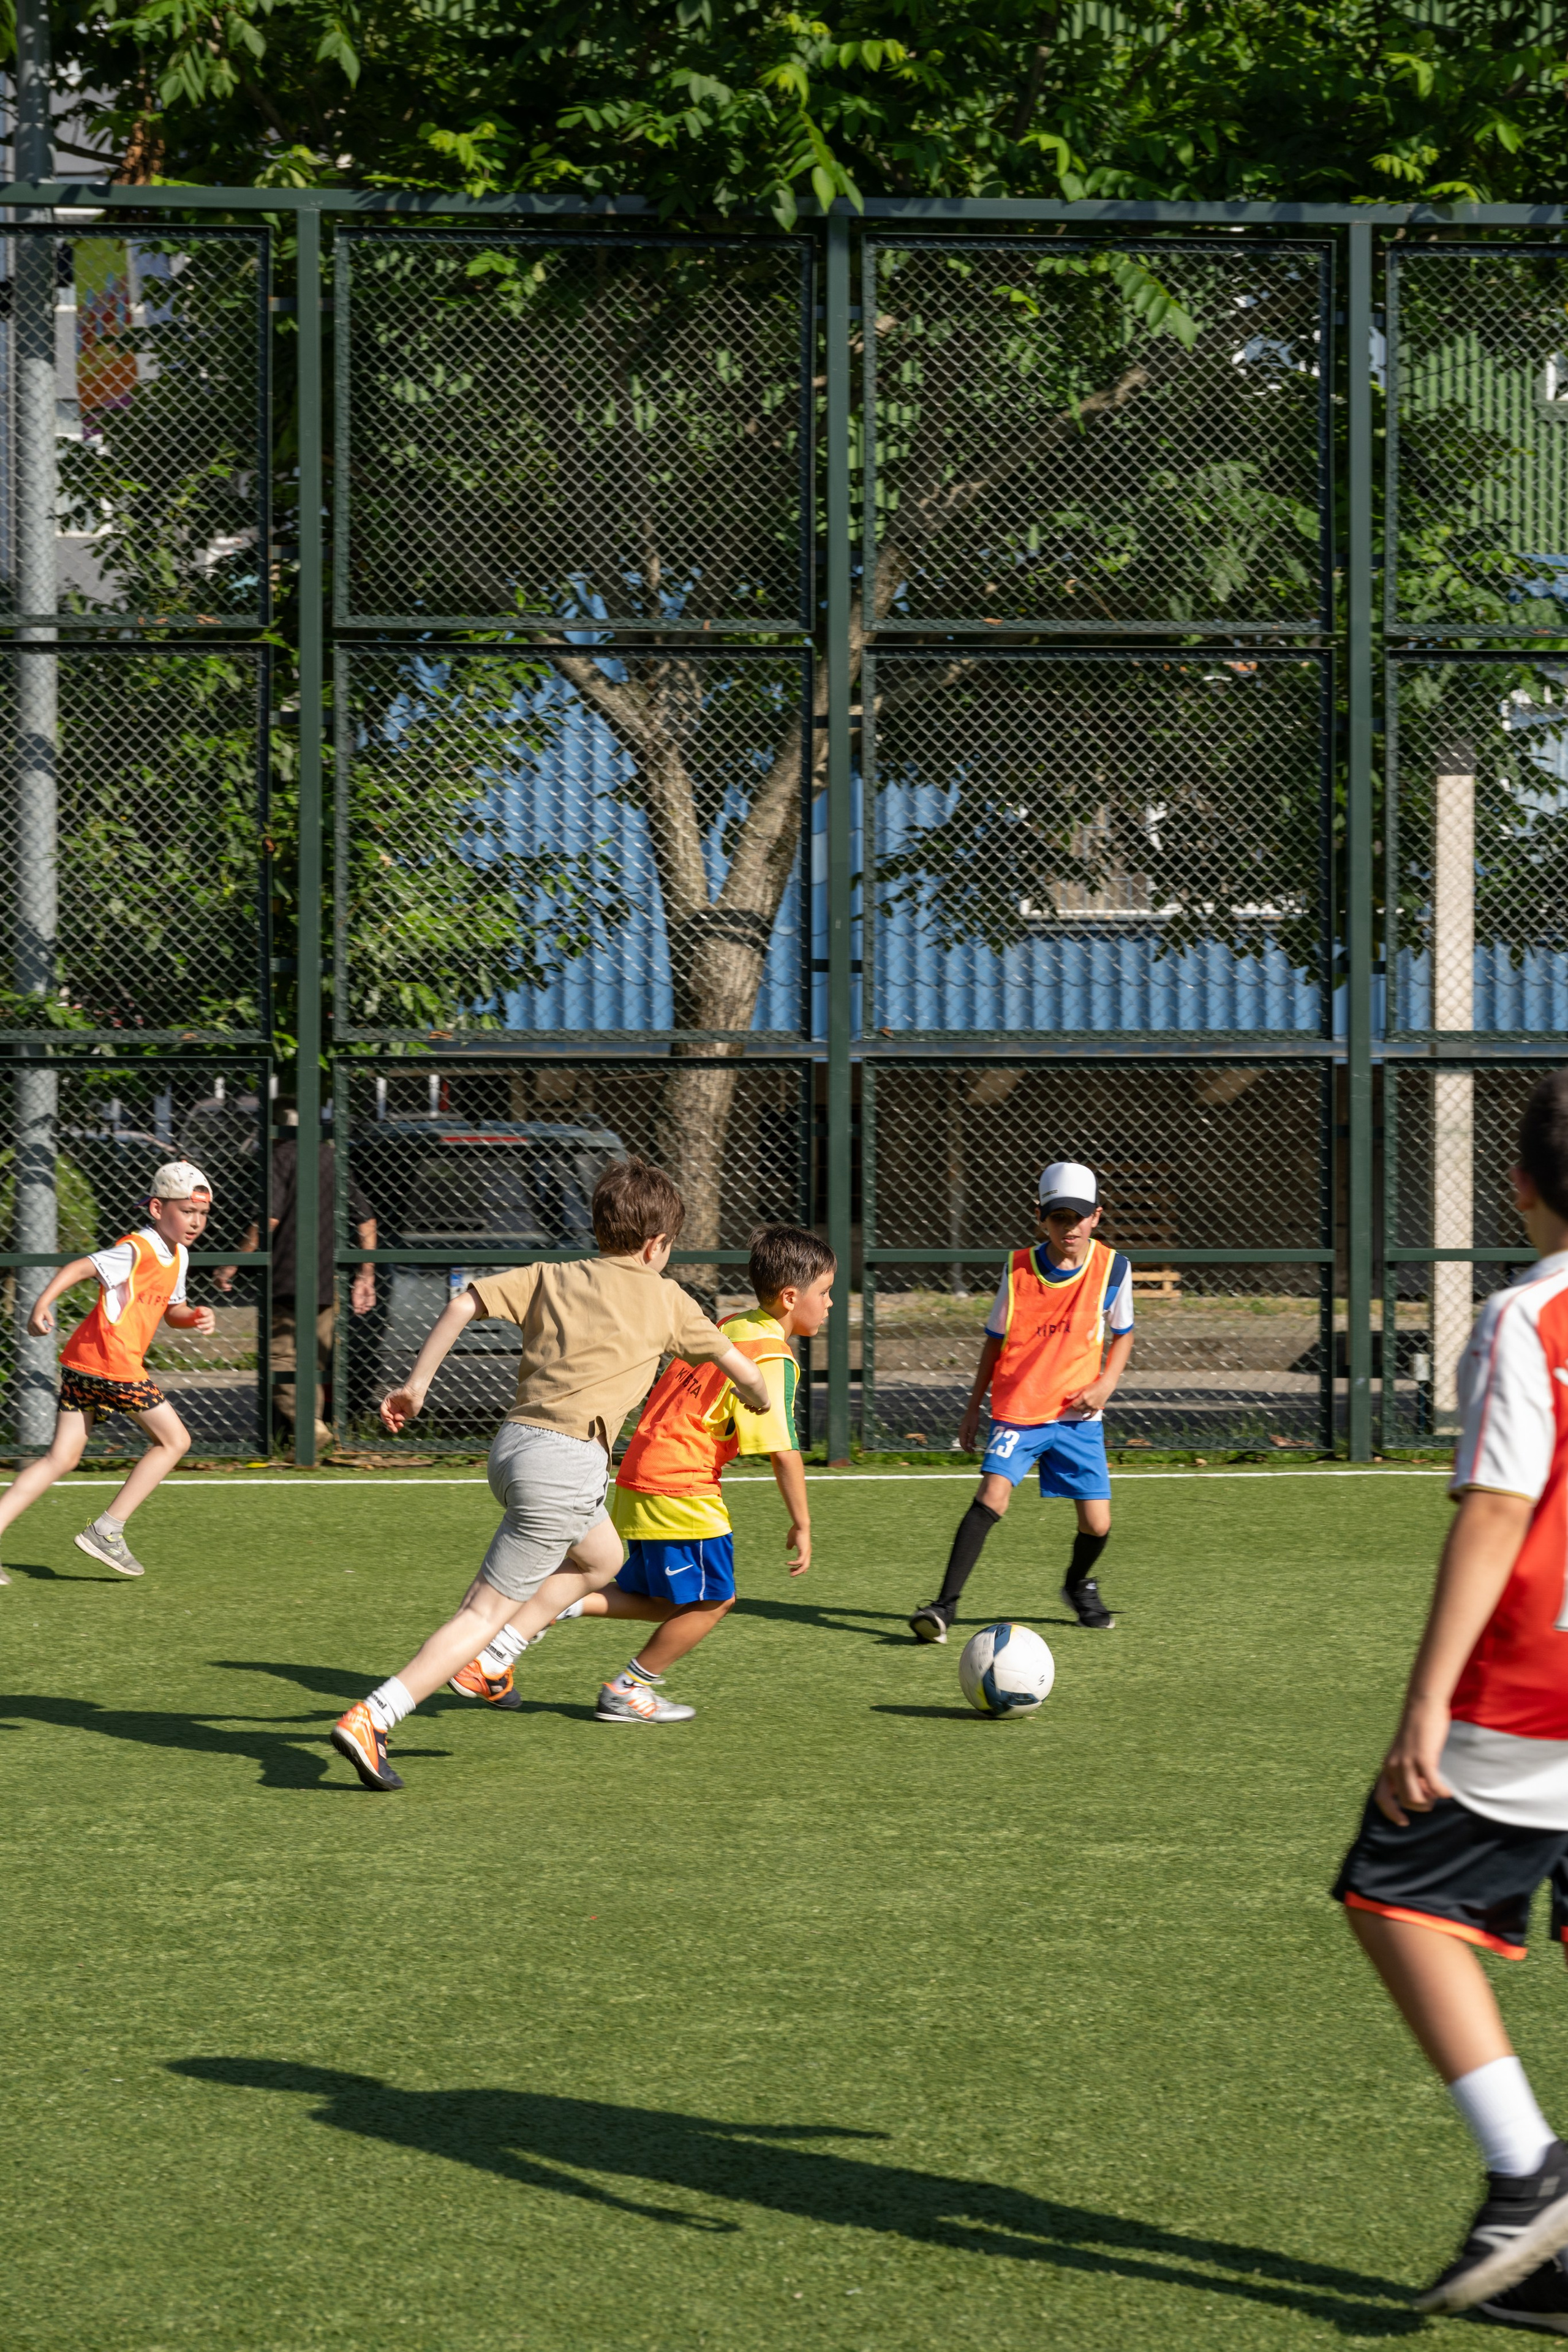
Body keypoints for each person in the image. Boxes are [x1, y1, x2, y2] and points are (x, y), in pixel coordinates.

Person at [1331, 1068, 1568, 2329]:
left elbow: (1496, 1507)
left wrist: (1423, 1703)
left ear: (1518, 1186)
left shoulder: (1525, 1319)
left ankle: (1527, 2173)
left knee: (1391, 1895)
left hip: (1537, 1685)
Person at [330, 1158, 772, 1790]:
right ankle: (377, 1714)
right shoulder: (669, 1298)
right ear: (656, 1245)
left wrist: (416, 1385)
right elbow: (742, 1367)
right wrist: (758, 1398)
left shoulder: (551, 1275)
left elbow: (464, 1303)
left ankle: (495, 1661)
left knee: (602, 1558)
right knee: (481, 1614)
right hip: (567, 1464)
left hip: (514, 1449)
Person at [451, 1223, 834, 1723]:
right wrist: (802, 1523)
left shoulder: (734, 1324)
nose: (829, 1304)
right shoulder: (772, 1355)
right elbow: (782, 1451)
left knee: (661, 1598)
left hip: (639, 1467)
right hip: (680, 1482)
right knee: (715, 1599)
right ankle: (628, 1689)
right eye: (825, 1293)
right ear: (790, 1297)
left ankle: (539, 1619)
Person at [908, 1160, 1134, 1643]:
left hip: (1078, 1415)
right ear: (1041, 1217)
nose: (1068, 1227)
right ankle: (943, 1608)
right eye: (1058, 1217)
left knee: (1098, 1523)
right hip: (1020, 1409)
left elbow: (1124, 1334)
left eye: (1078, 1216)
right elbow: (993, 1342)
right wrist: (973, 1409)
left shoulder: (1114, 1268)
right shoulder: (1017, 1269)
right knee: (991, 1497)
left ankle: (1077, 1587)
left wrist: (1106, 1383)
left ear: (1097, 1216)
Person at [0, 1161, 217, 1584]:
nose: (196, 1222)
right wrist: (42, 1305)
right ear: (157, 1208)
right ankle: (107, 1530)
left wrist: (194, 1318)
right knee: (176, 1440)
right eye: (186, 1211)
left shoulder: (179, 1255)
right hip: (112, 1362)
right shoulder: (137, 1247)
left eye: (203, 1214)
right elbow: (80, 1268)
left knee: (61, 1459)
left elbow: (173, 1312)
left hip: (86, 1362)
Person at [216, 1098, 377, 1453]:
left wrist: (232, 1263)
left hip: (287, 1276)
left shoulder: (281, 1156)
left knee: (278, 1359)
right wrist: (366, 1276)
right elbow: (366, 1219)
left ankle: (308, 1428)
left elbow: (268, 1220)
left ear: (274, 1128)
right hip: (325, 1279)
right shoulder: (329, 1158)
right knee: (313, 1363)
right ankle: (307, 1437)